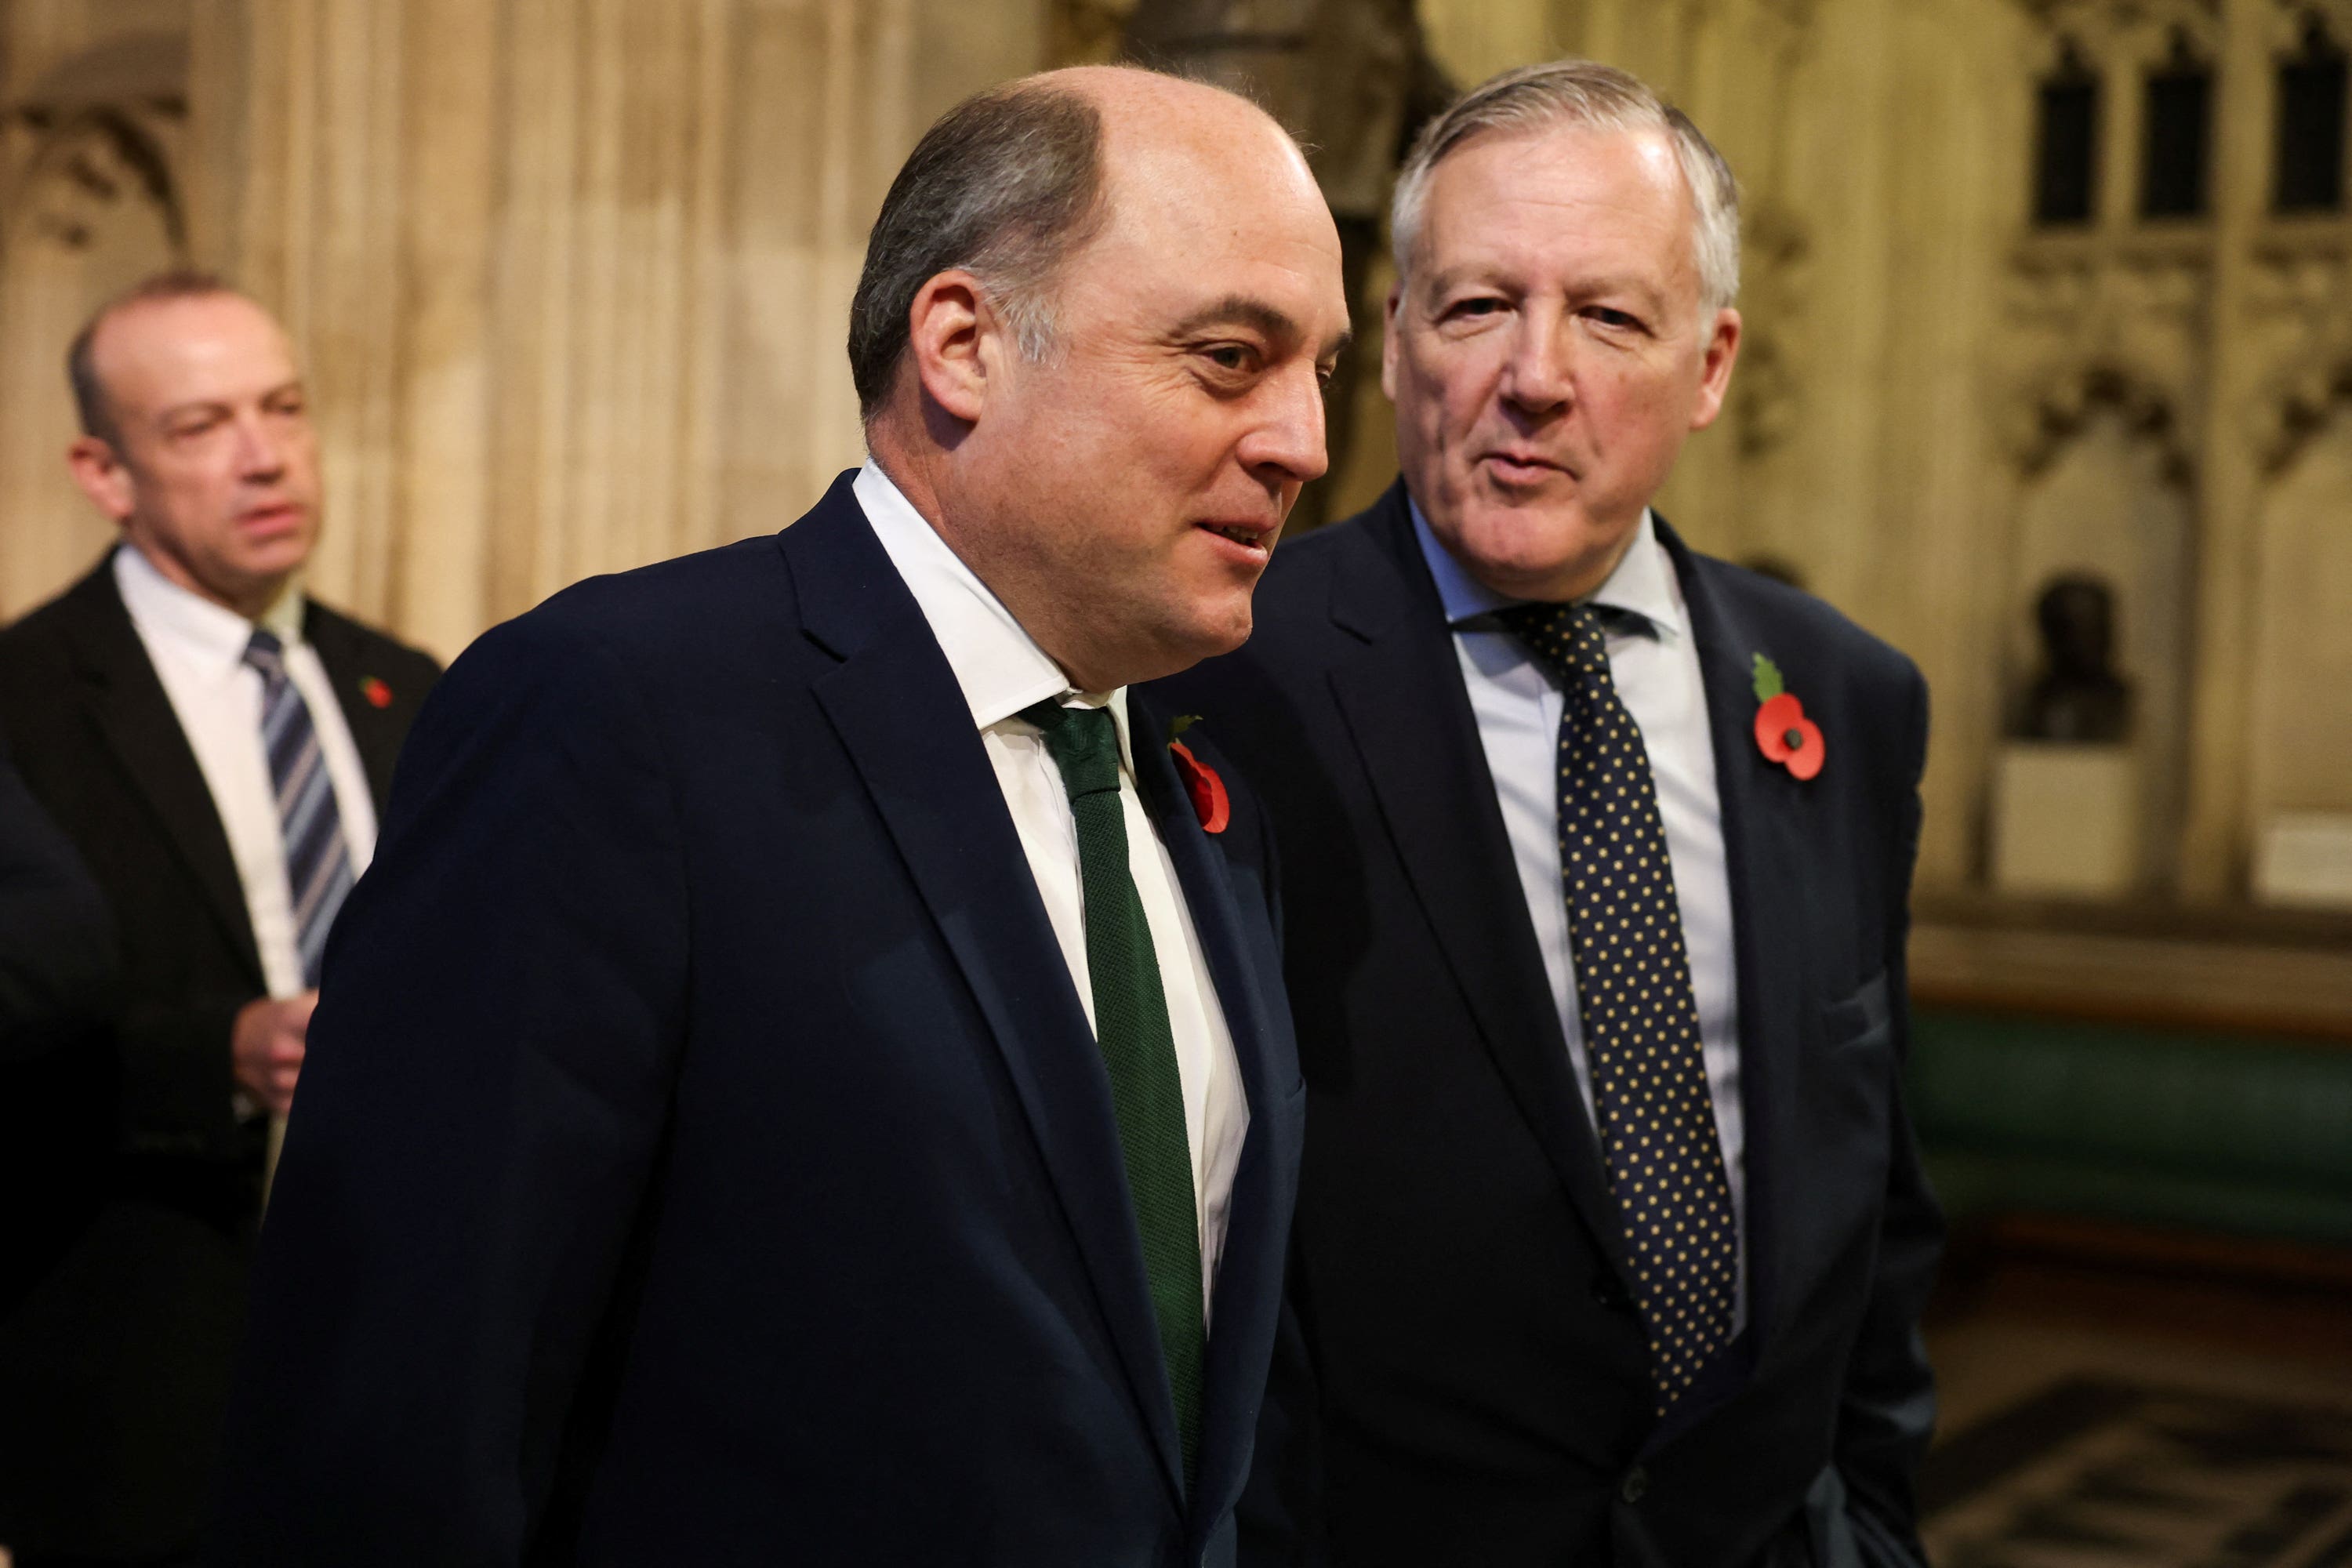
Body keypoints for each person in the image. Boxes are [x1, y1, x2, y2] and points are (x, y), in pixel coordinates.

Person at [209, 66, 1347, 1564]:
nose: (1305, 443)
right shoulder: (619, 714)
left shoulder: (1206, 791)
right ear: (965, 344)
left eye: (1323, 369)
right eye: (1227, 357)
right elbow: (397, 1416)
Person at [1160, 61, 1942, 1566]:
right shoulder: (1226, 678)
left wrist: (1878, 1529)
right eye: (1474, 309)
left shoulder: (1846, 699)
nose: (1534, 374)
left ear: (1710, 364)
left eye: (1608, 315)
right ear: (1391, 344)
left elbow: (1874, 1197)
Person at [0, 272, 441, 1565]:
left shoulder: (408, 687)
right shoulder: (22, 701)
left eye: (284, 409)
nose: (264, 458)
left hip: (392, 1338)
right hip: (129, 1346)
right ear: (104, 470)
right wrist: (224, 1057)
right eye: (200, 427)